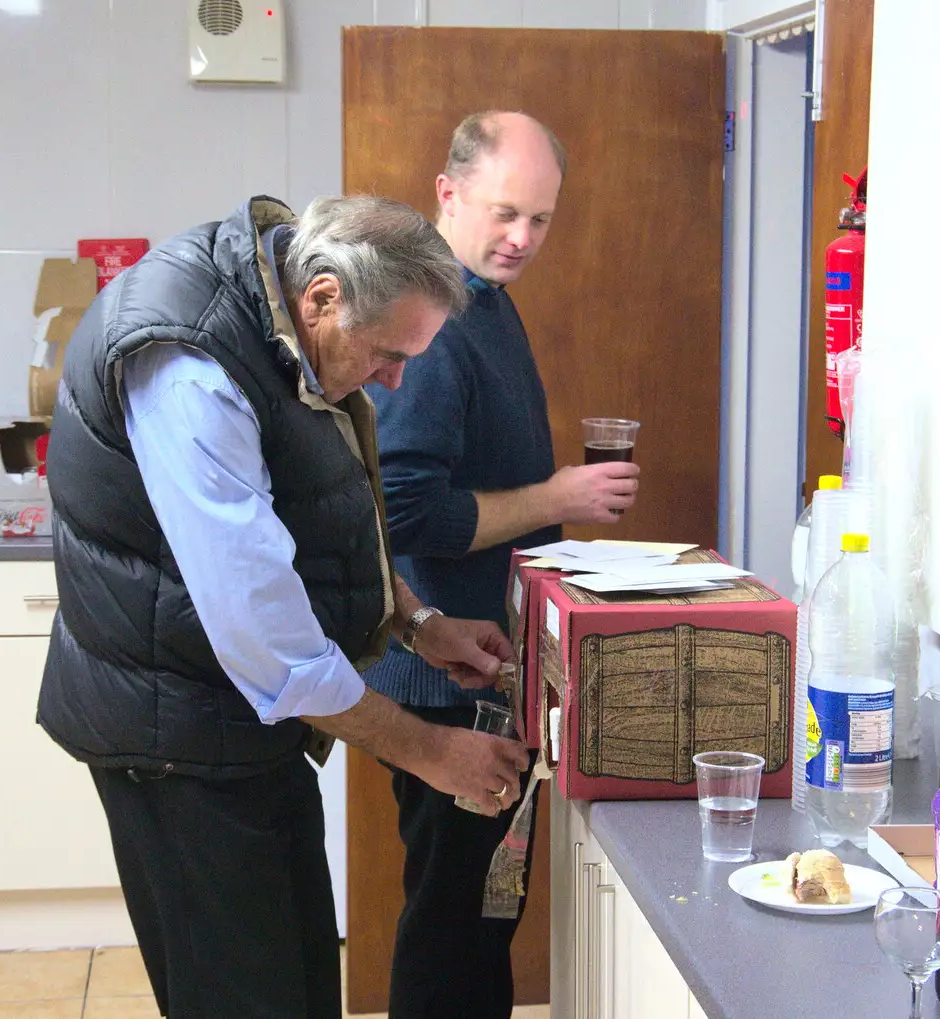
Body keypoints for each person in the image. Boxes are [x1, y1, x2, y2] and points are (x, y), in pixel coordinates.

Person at [37, 194, 531, 1019]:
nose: (396, 377)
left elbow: (316, 519)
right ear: (324, 297)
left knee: (301, 992)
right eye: (386, 354)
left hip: (246, 725)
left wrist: (416, 622)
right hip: (175, 742)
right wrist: (431, 752)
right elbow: (263, 627)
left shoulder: (281, 320)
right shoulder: (190, 367)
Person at [365, 112, 640, 1019]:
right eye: (505, 212)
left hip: (489, 669)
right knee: (454, 923)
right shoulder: (434, 322)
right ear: (447, 193)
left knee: (485, 915)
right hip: (444, 680)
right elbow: (401, 509)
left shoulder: (485, 294)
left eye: (542, 219)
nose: (523, 237)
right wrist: (555, 496)